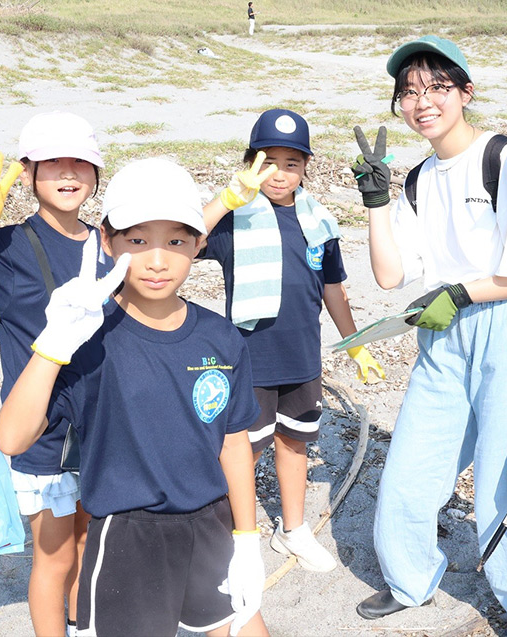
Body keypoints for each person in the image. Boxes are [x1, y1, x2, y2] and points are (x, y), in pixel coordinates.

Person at [0, 158, 269, 637]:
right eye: (137, 240)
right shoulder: (88, 339)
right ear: (107, 240)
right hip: (126, 537)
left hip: (211, 525)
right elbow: (12, 438)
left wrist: (246, 539)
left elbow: (232, 442)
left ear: (200, 244)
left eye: (177, 241)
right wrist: (53, 346)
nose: (157, 261)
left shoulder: (220, 337)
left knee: (238, 627)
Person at [350, 36, 507, 636]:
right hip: (441, 336)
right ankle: (409, 579)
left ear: (466, 92)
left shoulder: (505, 158)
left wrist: (462, 293)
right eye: (409, 92)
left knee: (502, 483)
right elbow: (391, 275)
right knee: (411, 468)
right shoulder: (417, 180)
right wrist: (375, 202)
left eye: (437, 86)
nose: (422, 102)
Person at [0, 111, 109, 637]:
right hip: (43, 433)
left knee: (89, 543)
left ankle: (82, 624)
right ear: (29, 172)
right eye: (54, 163)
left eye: (81, 162)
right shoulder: (7, 248)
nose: (69, 173)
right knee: (53, 558)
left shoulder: (110, 240)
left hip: (105, 424)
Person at [201, 108, 384, 573]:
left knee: (295, 442)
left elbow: (332, 288)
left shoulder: (318, 221)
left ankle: (294, 530)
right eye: (267, 162)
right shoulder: (233, 218)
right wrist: (226, 199)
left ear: (306, 168)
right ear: (249, 163)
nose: (279, 174)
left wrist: (356, 343)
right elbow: (182, 238)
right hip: (250, 360)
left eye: (292, 163)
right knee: (244, 448)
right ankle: (224, 534)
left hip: (302, 357)